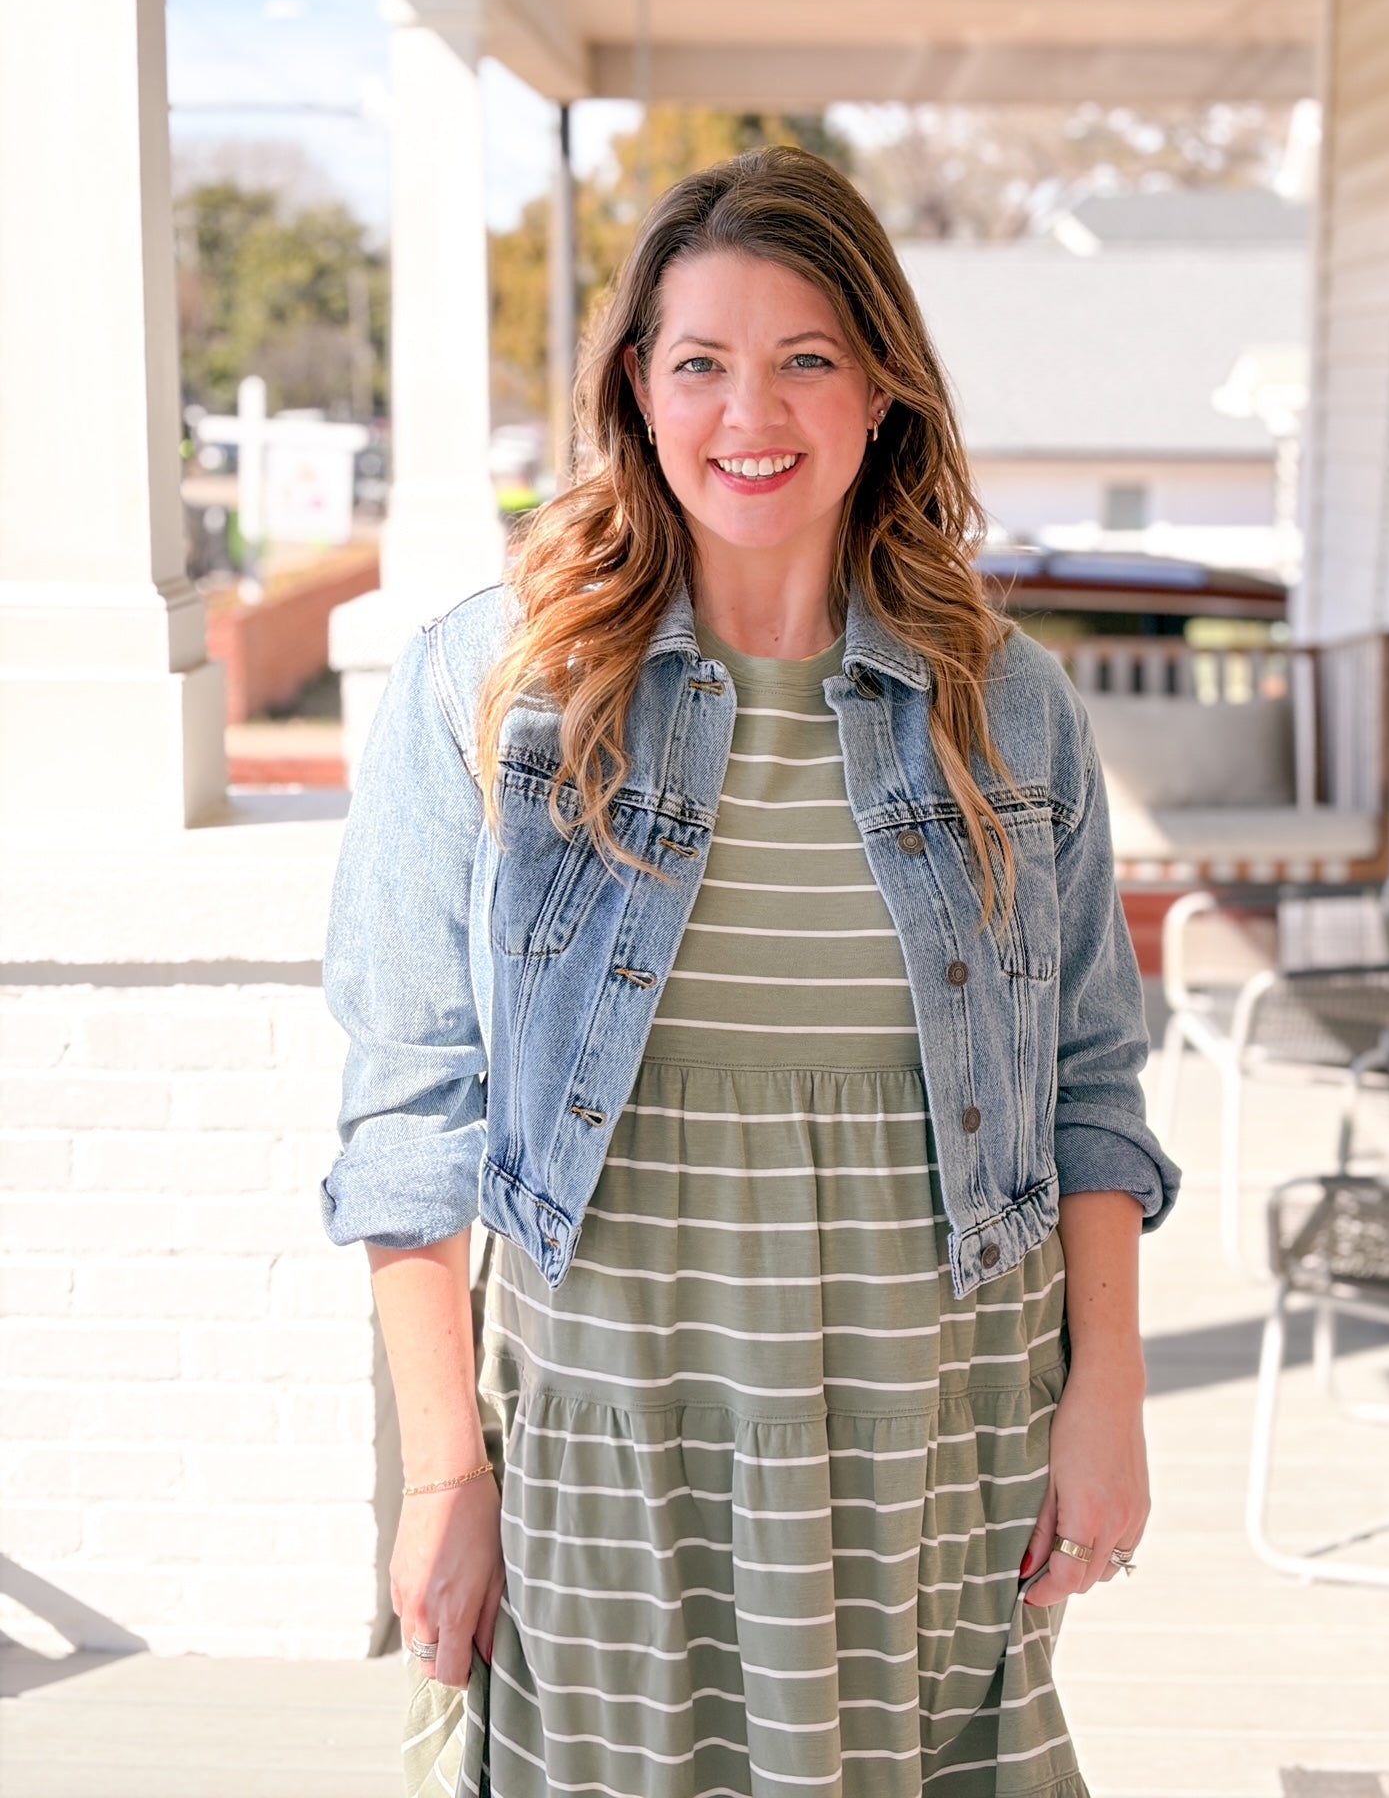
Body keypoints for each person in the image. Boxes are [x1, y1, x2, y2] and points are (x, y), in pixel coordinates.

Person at [321, 145, 1179, 1798]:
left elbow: (1088, 1087)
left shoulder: (1009, 711)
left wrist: (1112, 1393)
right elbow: (409, 1106)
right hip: (616, 1412)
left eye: (805, 359)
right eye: (700, 361)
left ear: (881, 395)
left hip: (933, 1414)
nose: (749, 412)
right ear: (638, 390)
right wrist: (446, 1476)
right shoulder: (487, 691)